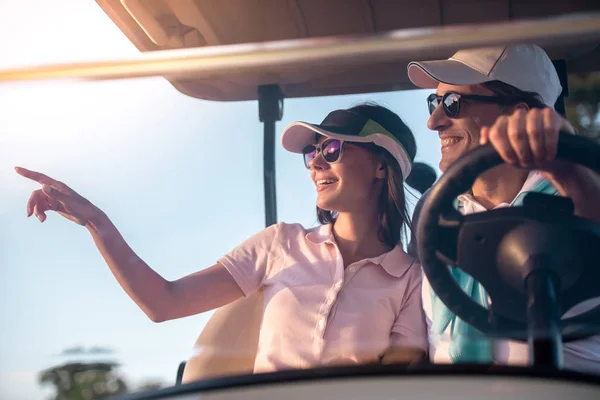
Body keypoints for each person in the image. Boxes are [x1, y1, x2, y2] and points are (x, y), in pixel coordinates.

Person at [16, 103, 428, 374]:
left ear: (381, 165)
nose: (316, 160)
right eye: (312, 152)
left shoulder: (411, 278)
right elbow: (163, 302)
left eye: (333, 148)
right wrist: (96, 222)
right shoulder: (279, 243)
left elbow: (395, 386)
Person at [406, 44, 600, 373]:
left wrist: (570, 170)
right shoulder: (435, 215)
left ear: (519, 115)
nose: (433, 121)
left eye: (452, 104)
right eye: (434, 102)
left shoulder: (580, 201)